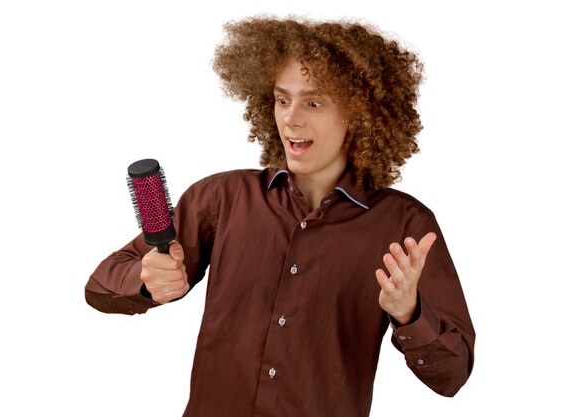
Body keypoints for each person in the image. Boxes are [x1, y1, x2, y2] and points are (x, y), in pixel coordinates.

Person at [85, 16, 475, 417]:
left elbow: (453, 375)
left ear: (359, 114)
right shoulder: (222, 198)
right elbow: (100, 285)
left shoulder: (405, 226)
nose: (291, 118)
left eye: (313, 102)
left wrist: (410, 314)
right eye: (282, 99)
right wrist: (146, 282)